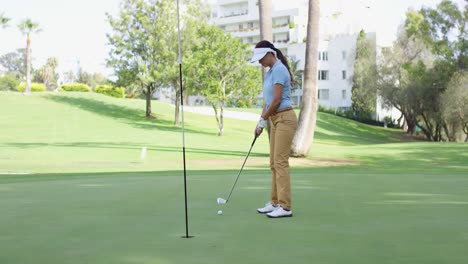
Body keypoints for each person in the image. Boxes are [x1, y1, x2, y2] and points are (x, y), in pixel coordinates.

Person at [250, 40, 298, 218]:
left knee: (280, 162)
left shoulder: (279, 70)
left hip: (285, 118)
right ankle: (275, 202)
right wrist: (260, 122)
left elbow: (277, 100)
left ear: (270, 54)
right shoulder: (270, 73)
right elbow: (268, 102)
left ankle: (285, 207)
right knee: (273, 163)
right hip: (275, 120)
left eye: (261, 58)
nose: (260, 62)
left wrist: (264, 119)